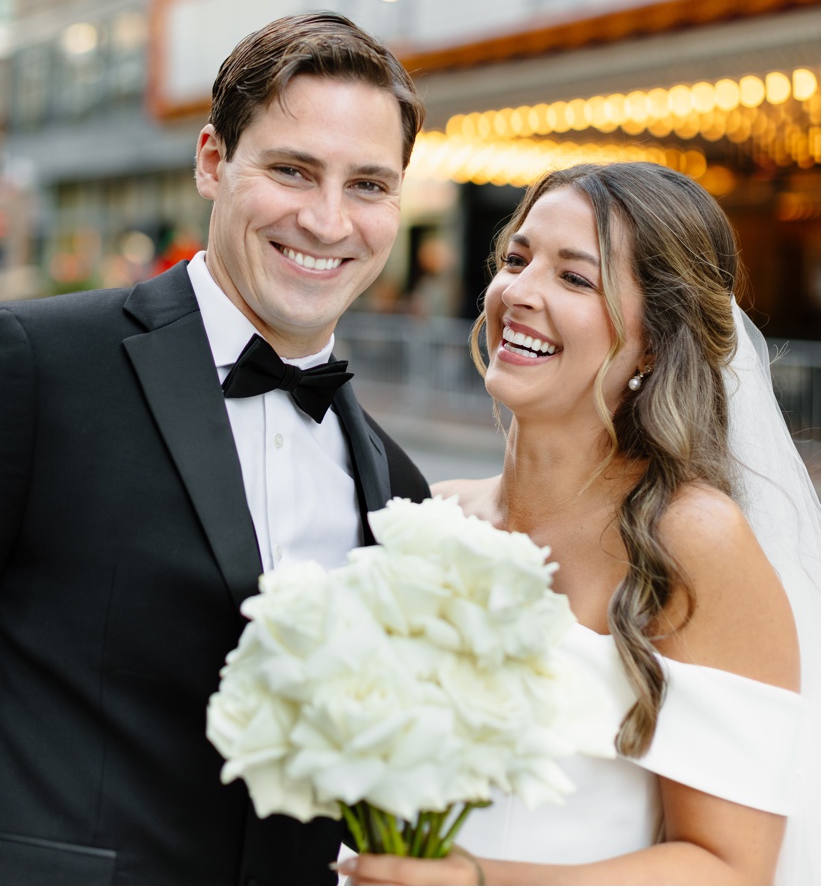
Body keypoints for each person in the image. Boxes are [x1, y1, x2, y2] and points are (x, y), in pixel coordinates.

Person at [0, 13, 432, 886]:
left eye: (368, 184)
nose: (328, 218)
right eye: (293, 169)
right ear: (213, 161)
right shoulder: (35, 362)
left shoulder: (397, 484)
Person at [339, 164, 815, 887]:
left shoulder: (691, 540)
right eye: (517, 259)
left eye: (575, 278)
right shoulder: (432, 518)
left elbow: (730, 867)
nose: (521, 293)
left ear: (654, 342)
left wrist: (476, 881)